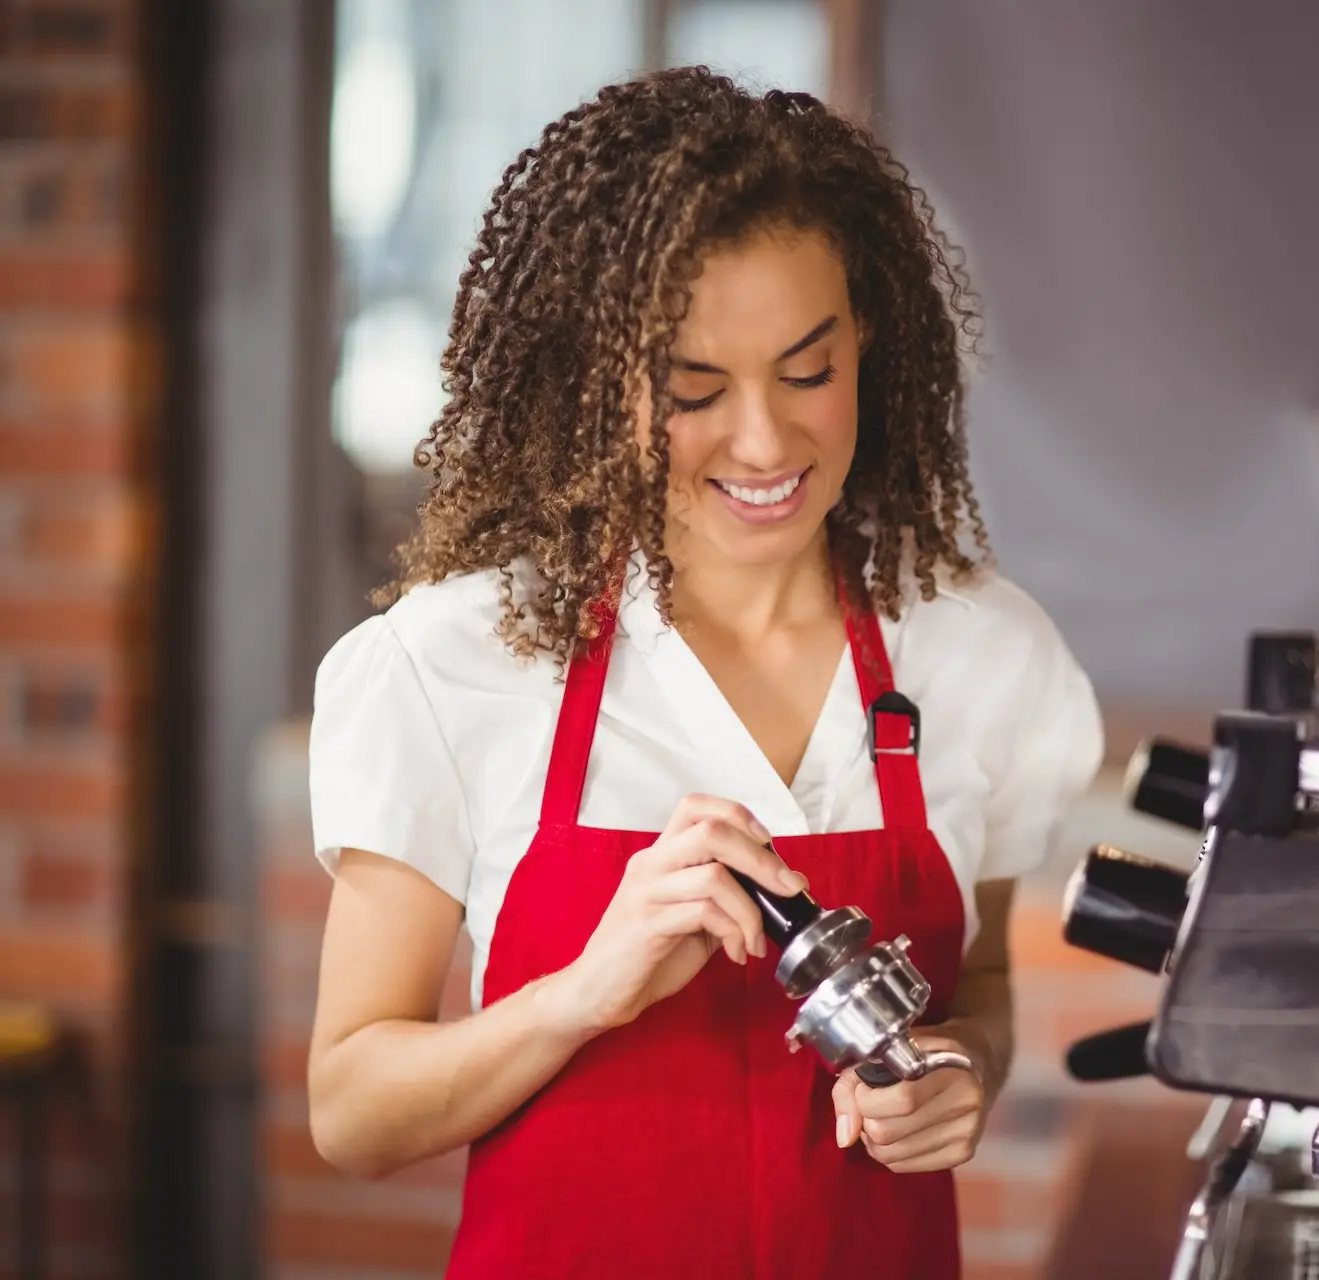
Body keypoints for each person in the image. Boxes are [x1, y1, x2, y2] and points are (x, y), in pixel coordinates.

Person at [304, 68, 1103, 1278]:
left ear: (866, 340)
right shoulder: (451, 663)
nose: (766, 442)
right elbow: (352, 1110)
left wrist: (963, 1067)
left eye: (807, 370)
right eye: (692, 389)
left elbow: (976, 985)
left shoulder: (981, 653)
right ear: (595, 375)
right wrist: (582, 994)